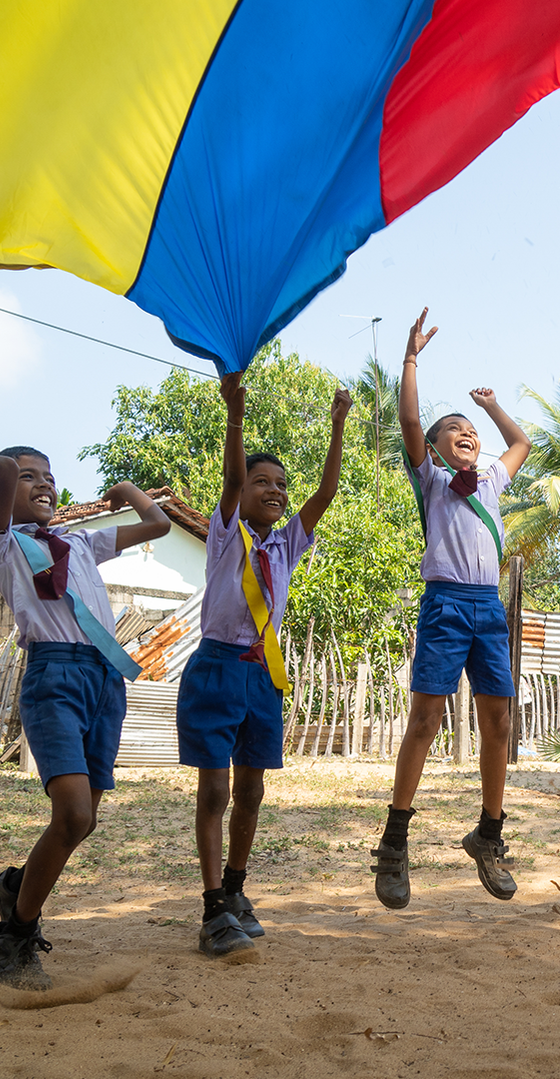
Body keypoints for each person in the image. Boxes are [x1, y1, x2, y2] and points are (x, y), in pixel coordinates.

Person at [0, 447, 169, 988]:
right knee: (71, 815)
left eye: (49, 478)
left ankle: (16, 887)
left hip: (105, 681)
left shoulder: (79, 541)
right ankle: (11, 939)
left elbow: (155, 522)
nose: (42, 485)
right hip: (54, 677)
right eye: (27, 478)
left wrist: (126, 490)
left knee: (83, 821)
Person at [181, 374, 349, 958]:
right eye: (262, 482)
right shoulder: (228, 535)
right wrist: (235, 413)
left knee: (251, 790)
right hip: (218, 668)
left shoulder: (286, 544)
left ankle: (235, 889)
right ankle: (210, 909)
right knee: (216, 791)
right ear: (242, 492)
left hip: (262, 675)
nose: (274, 491)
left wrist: (337, 425)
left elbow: (324, 494)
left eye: (281, 484)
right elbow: (230, 478)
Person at [370, 308, 531, 910]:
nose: (464, 433)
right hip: (444, 605)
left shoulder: (492, 478)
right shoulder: (432, 482)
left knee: (499, 724)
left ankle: (488, 836)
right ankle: (394, 841)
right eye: (453, 430)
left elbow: (522, 442)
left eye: (470, 430)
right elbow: (409, 417)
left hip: (488, 609)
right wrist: (411, 356)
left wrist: (489, 405)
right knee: (425, 722)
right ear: (435, 449)